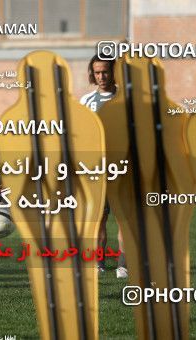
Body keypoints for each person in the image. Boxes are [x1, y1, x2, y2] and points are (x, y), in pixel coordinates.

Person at [80, 54, 127, 279]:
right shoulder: (86, 102)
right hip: (96, 169)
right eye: (97, 72)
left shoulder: (127, 100)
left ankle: (123, 265)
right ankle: (98, 263)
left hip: (122, 167)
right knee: (99, 218)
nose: (101, 76)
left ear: (113, 72)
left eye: (105, 72)